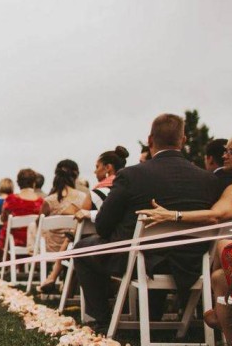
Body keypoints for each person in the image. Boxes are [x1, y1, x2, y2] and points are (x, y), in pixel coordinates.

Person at [74, 114, 222, 329]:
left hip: (138, 259)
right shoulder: (208, 179)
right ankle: (154, 316)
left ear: (150, 140)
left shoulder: (131, 175)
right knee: (145, 252)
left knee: (82, 249)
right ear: (183, 140)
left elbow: (103, 225)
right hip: (192, 262)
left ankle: (101, 319)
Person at [137, 137, 232, 346]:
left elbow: (216, 216)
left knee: (224, 246)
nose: (224, 155)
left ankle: (225, 313)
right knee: (219, 276)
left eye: (230, 151)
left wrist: (173, 215)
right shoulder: (228, 187)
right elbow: (216, 215)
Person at [36, 160, 91, 293]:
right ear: (75, 176)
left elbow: (39, 223)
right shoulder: (83, 197)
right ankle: (67, 284)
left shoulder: (49, 200)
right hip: (75, 244)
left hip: (52, 246)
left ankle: (51, 277)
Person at [0, 169, 44, 249]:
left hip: (13, 242)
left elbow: (3, 218)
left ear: (18, 183)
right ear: (34, 183)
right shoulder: (41, 202)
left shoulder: (11, 199)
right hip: (34, 241)